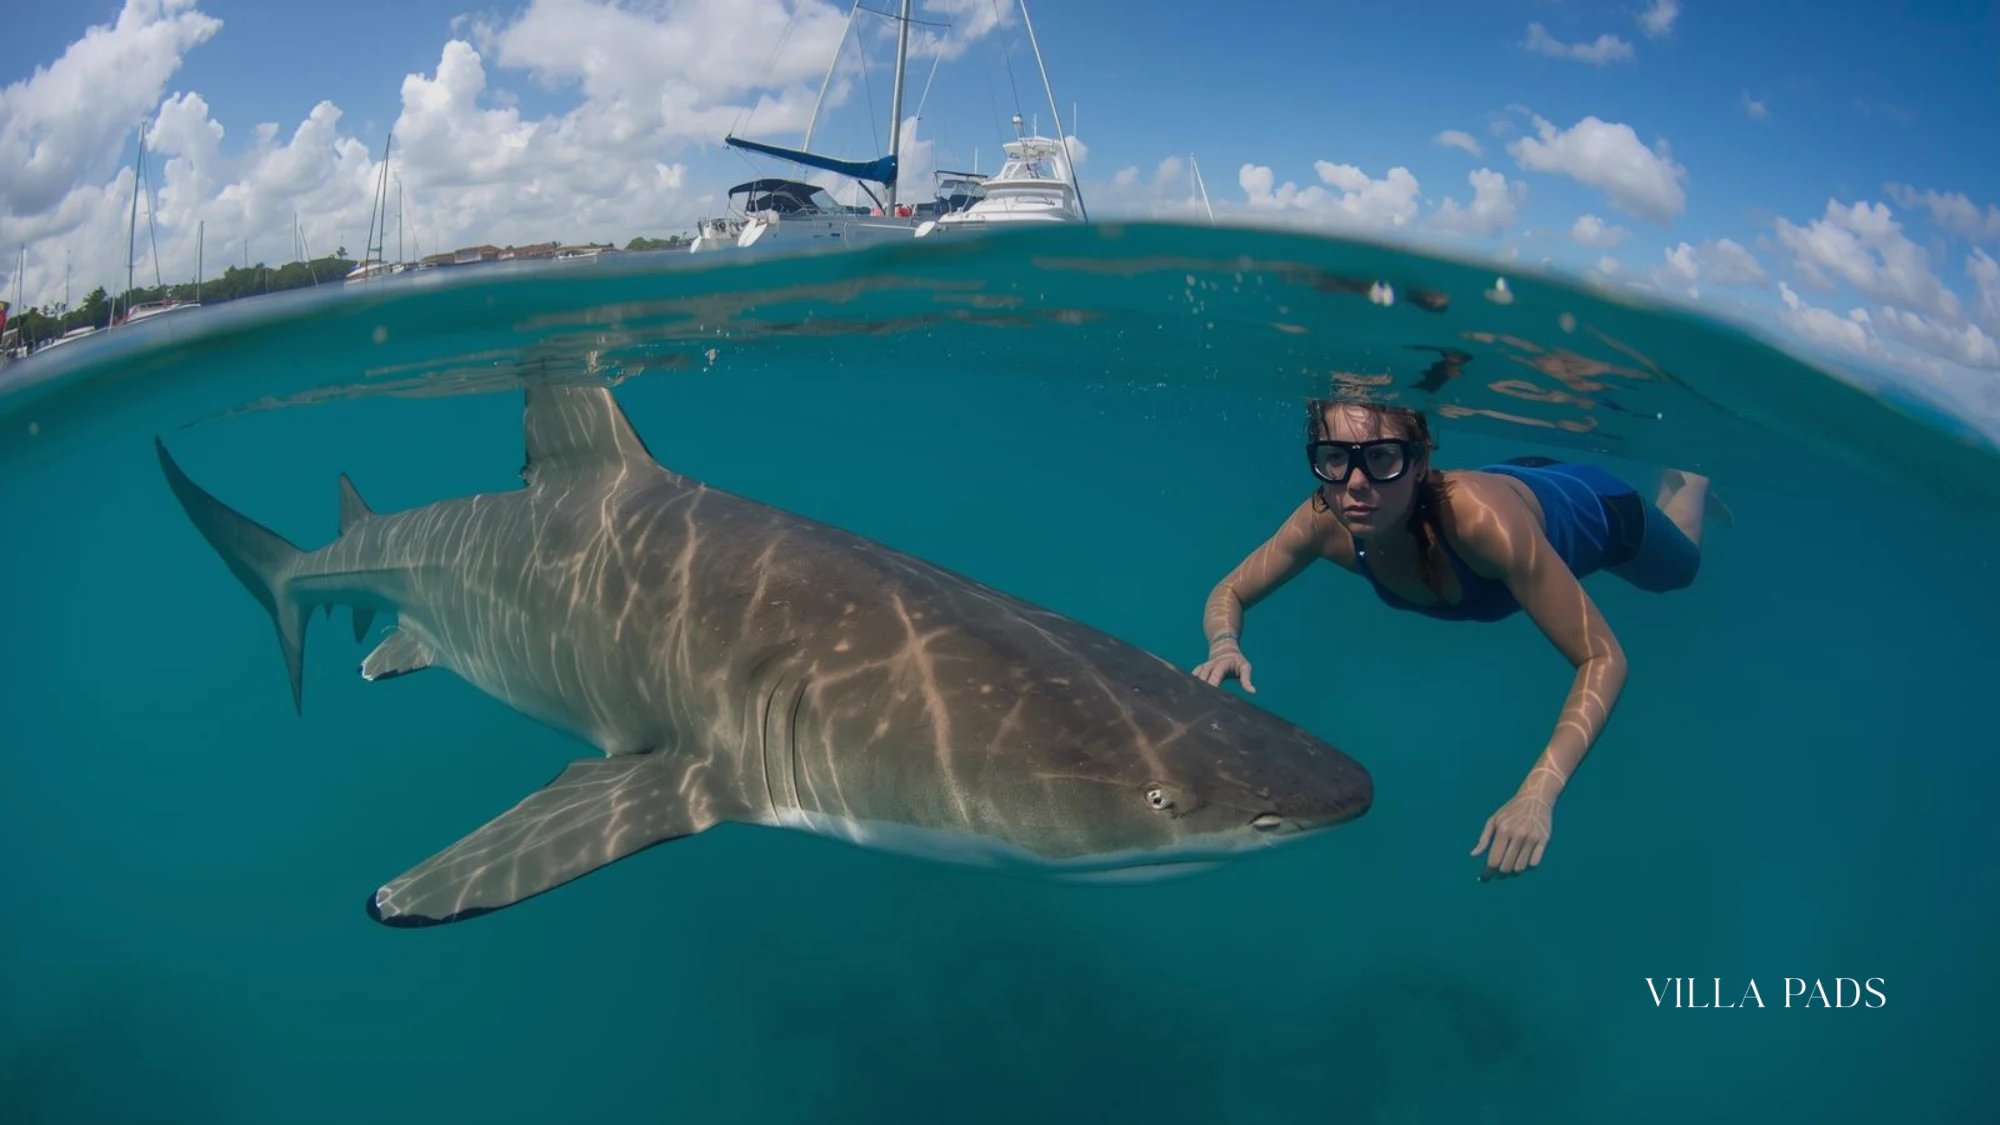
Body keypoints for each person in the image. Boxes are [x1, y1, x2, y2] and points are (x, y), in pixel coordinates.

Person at [1192, 398, 1708, 882]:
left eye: (1382, 458)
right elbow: (1230, 590)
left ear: (1419, 463)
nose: (1354, 484)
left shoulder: (1483, 527)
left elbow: (1602, 657)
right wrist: (1225, 644)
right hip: (1517, 478)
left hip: (1596, 506)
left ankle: (1692, 477)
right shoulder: (1323, 522)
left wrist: (1538, 793)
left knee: (1679, 568)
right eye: (1334, 458)